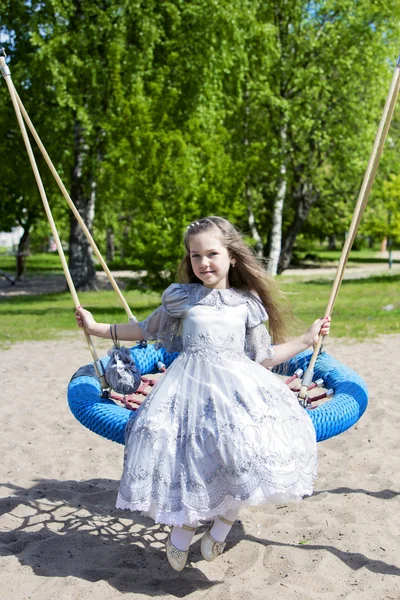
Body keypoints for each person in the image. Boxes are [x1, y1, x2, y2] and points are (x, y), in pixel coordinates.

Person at [76, 216, 331, 571]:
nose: (203, 263)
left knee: (242, 455)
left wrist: (306, 340)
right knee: (193, 458)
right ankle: (184, 528)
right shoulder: (182, 298)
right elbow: (145, 329)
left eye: (212, 254)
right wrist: (96, 327)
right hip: (189, 390)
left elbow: (264, 357)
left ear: (232, 258)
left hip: (238, 389)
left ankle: (223, 526)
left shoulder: (247, 303)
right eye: (195, 256)